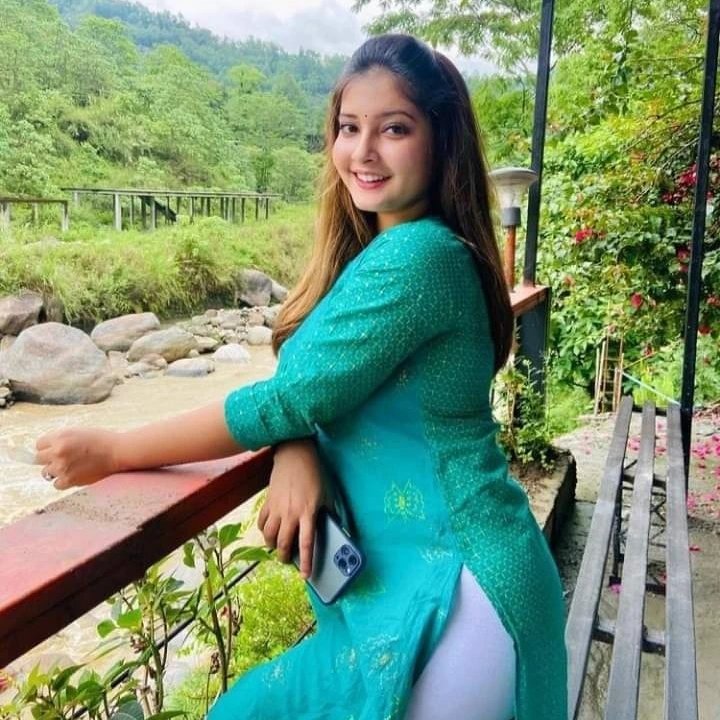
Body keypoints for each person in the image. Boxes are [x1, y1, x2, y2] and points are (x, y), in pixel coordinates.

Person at [36, 34, 567, 720]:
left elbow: (289, 396)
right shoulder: (389, 250)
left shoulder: (420, 257)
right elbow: (318, 381)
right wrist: (298, 445)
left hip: (457, 591)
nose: (363, 151)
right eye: (349, 128)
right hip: (425, 580)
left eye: (394, 129)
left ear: (441, 141)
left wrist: (113, 450)